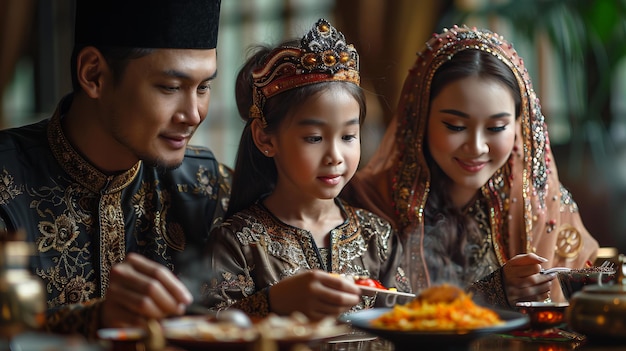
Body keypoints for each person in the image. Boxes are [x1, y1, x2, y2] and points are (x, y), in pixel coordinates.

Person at [0, 0, 231, 337]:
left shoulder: (206, 185)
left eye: (203, 88)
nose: (193, 114)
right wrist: (94, 319)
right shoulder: (7, 180)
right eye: (170, 87)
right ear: (94, 74)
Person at [342, 25, 599, 307]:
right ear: (420, 120)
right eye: (455, 126)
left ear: (519, 127)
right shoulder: (368, 204)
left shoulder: (542, 206)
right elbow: (361, 315)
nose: (476, 147)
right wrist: (492, 294)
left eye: (496, 127)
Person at [202, 19, 410, 320]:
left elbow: (409, 321)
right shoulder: (239, 242)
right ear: (265, 138)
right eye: (314, 138)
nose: (335, 156)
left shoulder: (376, 236)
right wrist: (272, 303)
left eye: (348, 136)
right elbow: (207, 329)